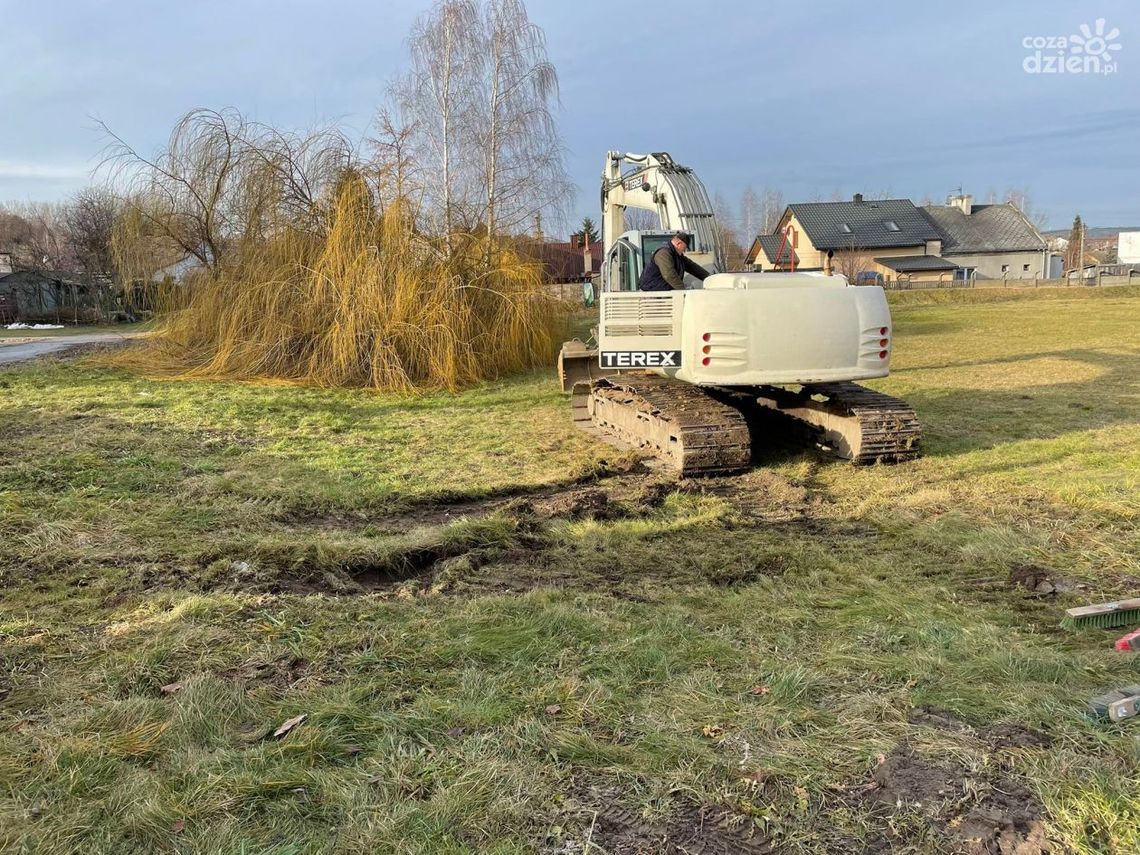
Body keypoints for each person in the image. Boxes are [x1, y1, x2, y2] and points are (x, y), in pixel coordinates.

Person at [638, 232, 711, 291]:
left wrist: (710, 277)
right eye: (684, 248)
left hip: (662, 292)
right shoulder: (663, 253)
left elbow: (692, 267)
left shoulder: (677, 256)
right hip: (652, 294)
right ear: (679, 243)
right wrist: (684, 289)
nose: (684, 251)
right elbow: (669, 275)